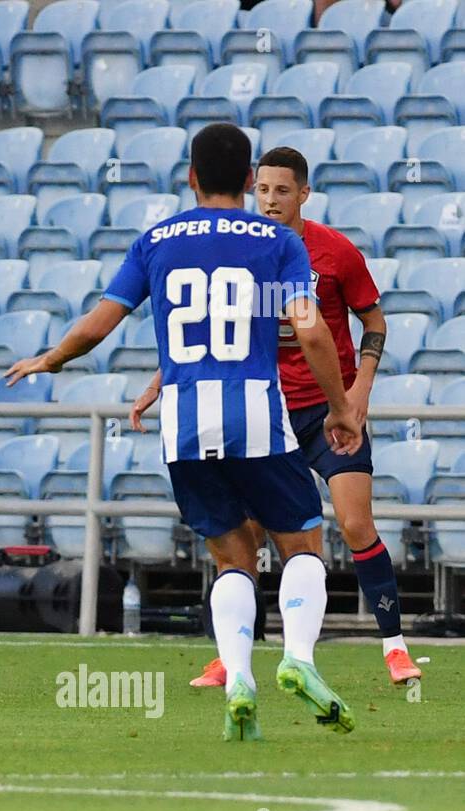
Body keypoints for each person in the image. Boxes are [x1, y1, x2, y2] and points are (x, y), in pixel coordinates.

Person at [5, 123, 363, 741]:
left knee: (230, 556)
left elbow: (101, 320)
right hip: (255, 410)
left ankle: (241, 679)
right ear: (251, 181)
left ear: (191, 177)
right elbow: (308, 331)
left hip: (186, 420)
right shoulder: (274, 240)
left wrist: (51, 359)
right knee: (303, 545)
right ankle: (299, 659)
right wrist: (339, 407)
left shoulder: (157, 241)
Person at [132, 146, 422, 688]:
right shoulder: (244, 248)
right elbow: (213, 327)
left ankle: (394, 647)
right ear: (251, 188)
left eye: (282, 191)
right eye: (262, 190)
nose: (270, 200)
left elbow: (373, 320)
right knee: (244, 538)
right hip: (264, 409)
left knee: (356, 524)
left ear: (303, 194)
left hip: (323, 413)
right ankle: (235, 657)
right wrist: (158, 381)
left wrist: (357, 393)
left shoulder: (334, 252)